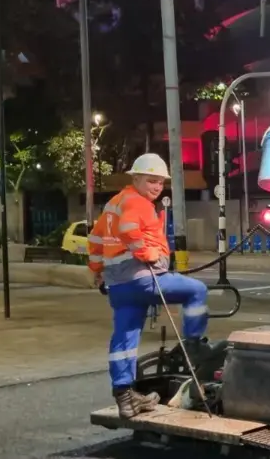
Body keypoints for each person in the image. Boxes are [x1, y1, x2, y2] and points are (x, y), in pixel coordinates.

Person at [88, 153, 210, 419]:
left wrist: (97, 271)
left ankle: (125, 396)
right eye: (151, 180)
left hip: (119, 286)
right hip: (143, 278)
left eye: (160, 182)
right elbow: (130, 230)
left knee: (125, 338)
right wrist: (146, 253)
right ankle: (194, 345)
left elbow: (95, 240)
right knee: (197, 291)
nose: (156, 187)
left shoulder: (113, 204)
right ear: (136, 178)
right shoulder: (137, 202)